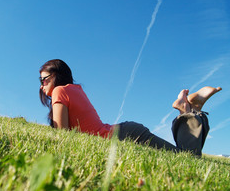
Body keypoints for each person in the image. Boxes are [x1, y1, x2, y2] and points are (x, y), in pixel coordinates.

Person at [39, 59, 222, 157]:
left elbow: (62, 135)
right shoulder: (74, 90)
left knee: (187, 159)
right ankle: (188, 110)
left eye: (44, 79)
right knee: (184, 157)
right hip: (126, 132)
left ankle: (188, 111)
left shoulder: (60, 91)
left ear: (57, 75)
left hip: (126, 136)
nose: (42, 85)